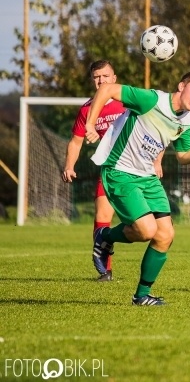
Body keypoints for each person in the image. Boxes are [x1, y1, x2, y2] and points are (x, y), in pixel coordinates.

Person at [85, 71, 190, 306]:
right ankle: (105, 236)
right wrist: (90, 122)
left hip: (148, 177)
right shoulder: (151, 100)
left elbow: (182, 156)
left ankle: (141, 296)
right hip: (120, 171)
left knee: (166, 235)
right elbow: (107, 90)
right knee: (146, 230)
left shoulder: (188, 120)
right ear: (181, 85)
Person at [61, 60, 163, 281]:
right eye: (97, 77)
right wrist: (69, 165)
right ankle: (105, 270)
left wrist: (157, 161)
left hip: (142, 171)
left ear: (114, 79)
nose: (101, 81)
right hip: (113, 170)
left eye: (105, 76)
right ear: (92, 80)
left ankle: (145, 258)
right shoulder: (88, 110)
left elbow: (158, 128)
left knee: (153, 227)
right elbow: (76, 142)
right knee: (102, 215)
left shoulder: (128, 101)